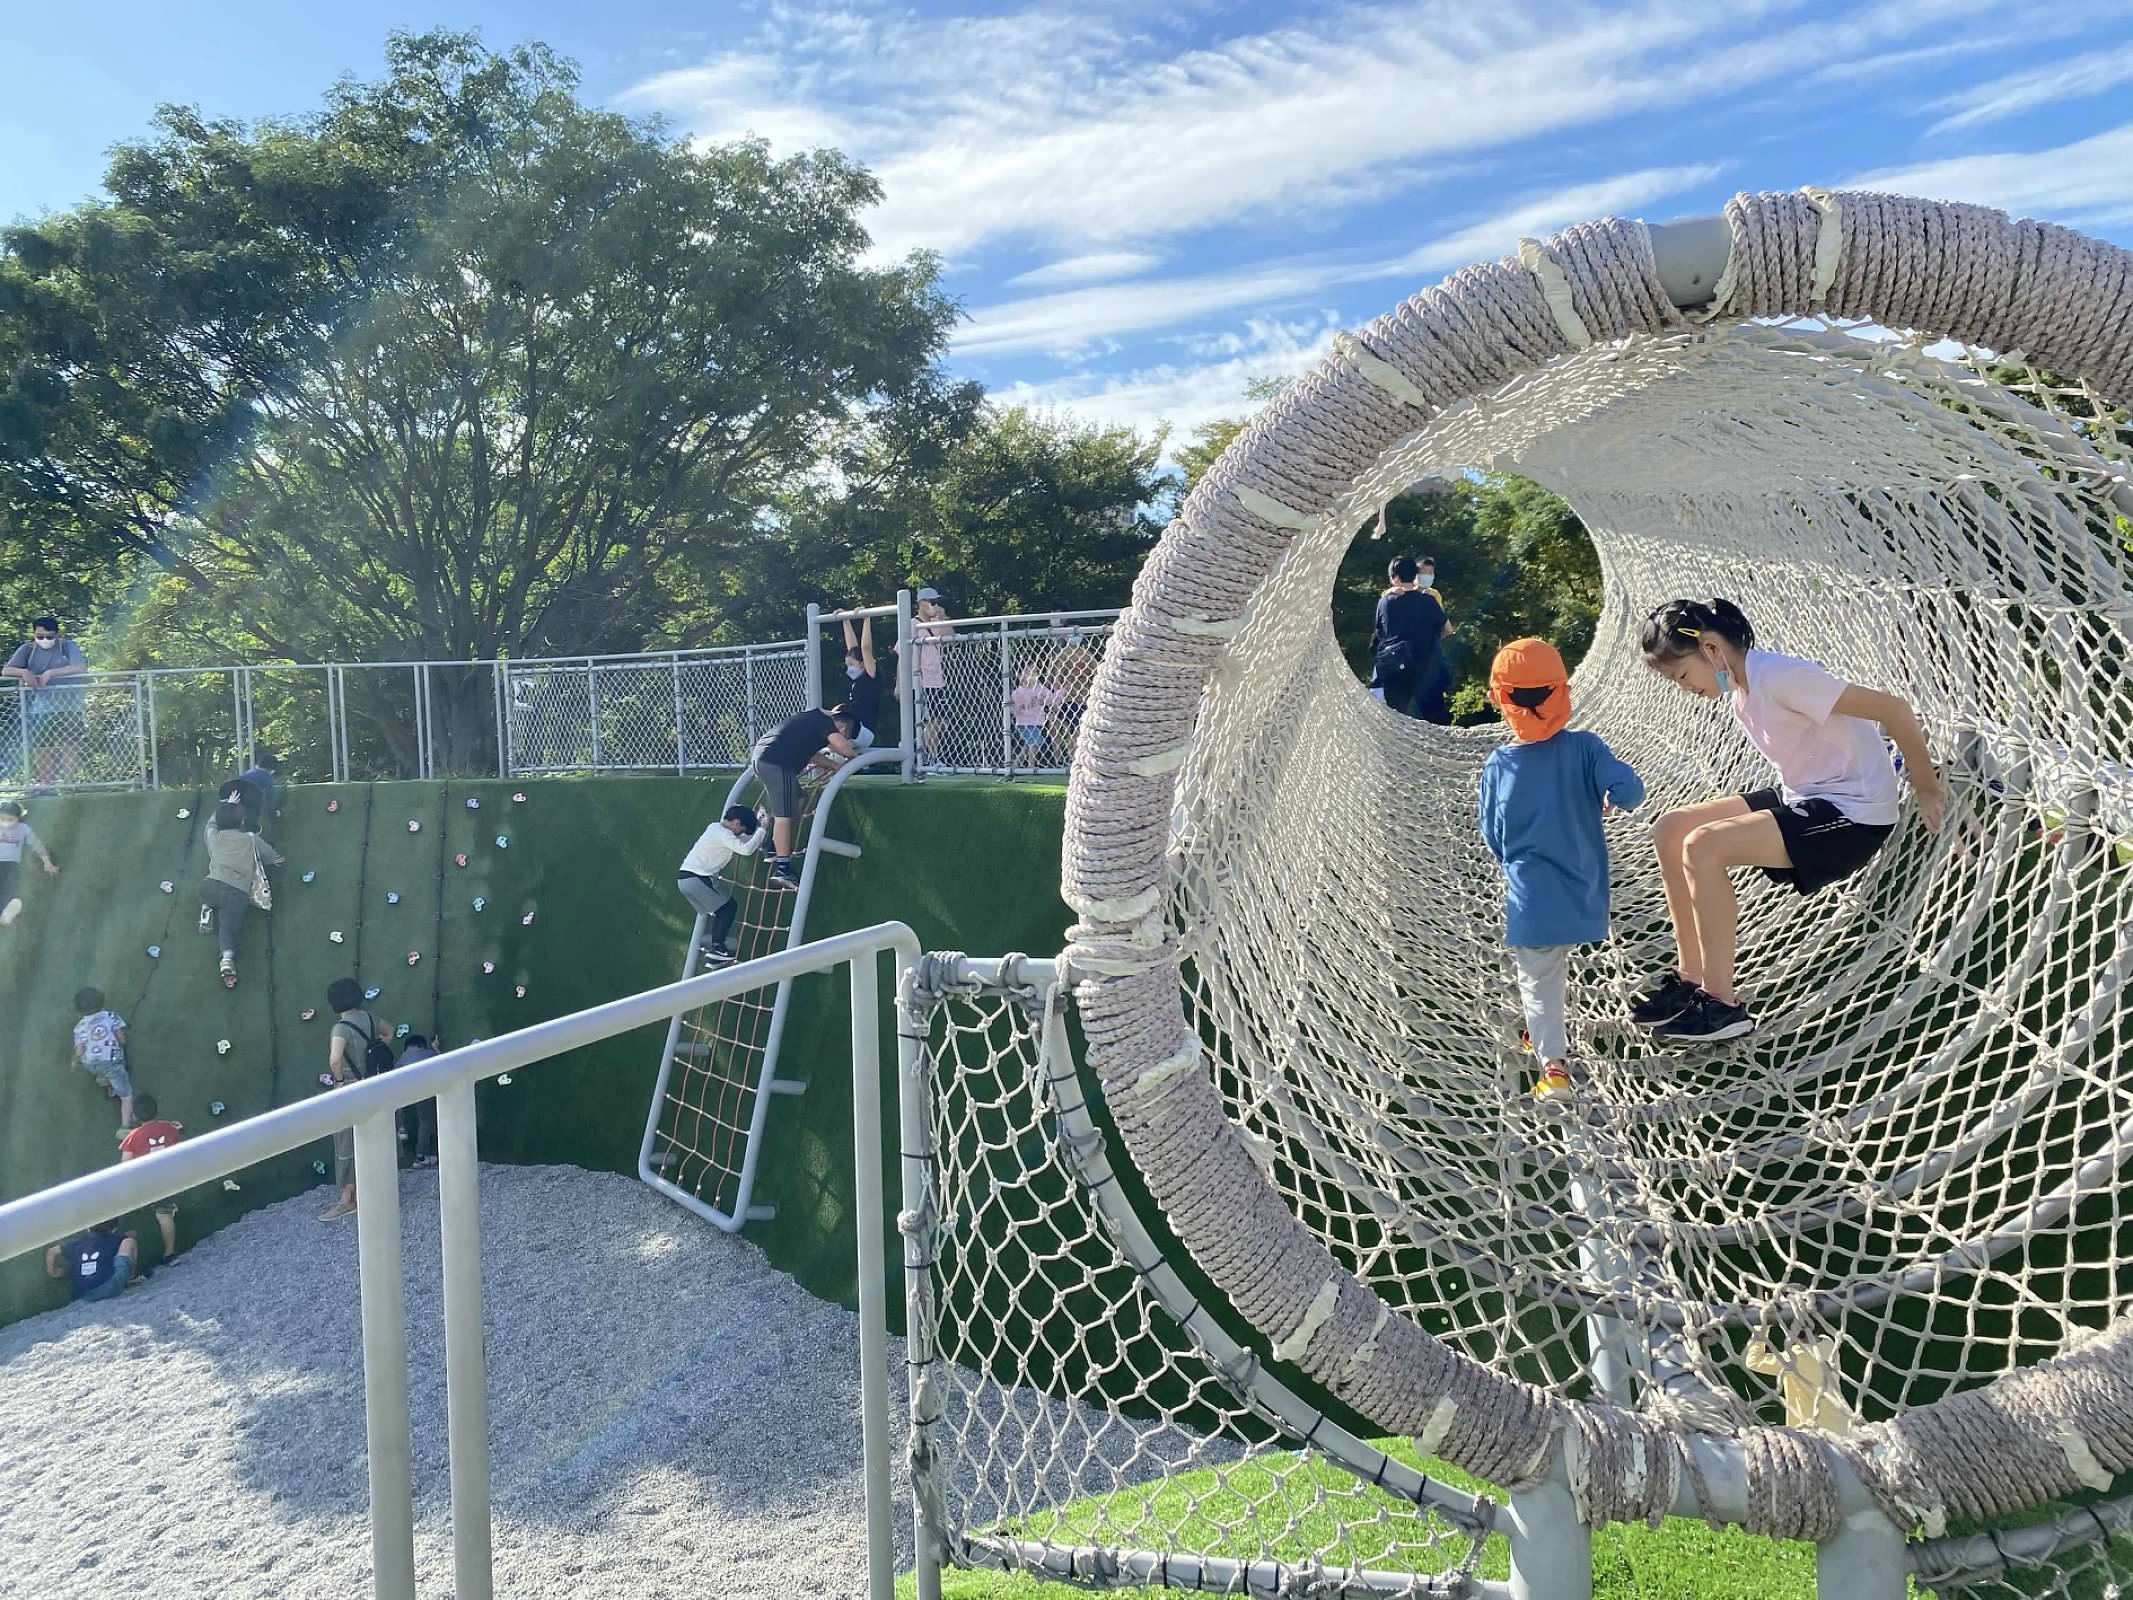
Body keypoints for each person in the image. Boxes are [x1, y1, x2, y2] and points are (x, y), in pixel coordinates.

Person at [1633, 598, 1945, 1045]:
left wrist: (1926, 785)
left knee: (1703, 845)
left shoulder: (1779, 677)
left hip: (1853, 814)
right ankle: (1689, 978)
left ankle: (1722, 1005)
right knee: (1671, 830)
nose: (1684, 688)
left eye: (1682, 676)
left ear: (1711, 649)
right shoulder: (1742, 691)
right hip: (1807, 794)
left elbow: (1894, 709)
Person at [1478, 639, 1645, 1099]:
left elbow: (1492, 835)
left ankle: (1554, 1069)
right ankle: (1542, 1029)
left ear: (1499, 699)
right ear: (1562, 691)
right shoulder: (1585, 749)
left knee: (1538, 977)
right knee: (1553, 969)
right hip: (1585, 895)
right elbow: (1630, 789)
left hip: (1532, 899)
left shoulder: (1498, 766)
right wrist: (1611, 796)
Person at [750, 706, 860, 890]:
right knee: (783, 817)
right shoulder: (823, 721)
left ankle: (772, 844)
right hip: (776, 764)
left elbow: (811, 755)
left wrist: (833, 765)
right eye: (846, 736)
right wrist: (854, 756)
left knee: (798, 799)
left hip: (768, 759)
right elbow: (843, 748)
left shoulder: (810, 722)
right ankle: (783, 868)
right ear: (842, 730)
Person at [322, 977, 395, 1220]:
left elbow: (335, 1059)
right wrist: (372, 1052)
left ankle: (347, 1199)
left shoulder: (340, 1028)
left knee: (345, 1142)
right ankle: (375, 1191)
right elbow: (390, 1032)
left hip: (351, 1087)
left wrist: (340, 1082)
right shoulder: (371, 1018)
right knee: (373, 1137)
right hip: (374, 1084)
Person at [199, 799, 283, 988]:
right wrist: (277, 859)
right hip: (235, 893)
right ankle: (227, 959)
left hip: (209, 886)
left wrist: (226, 804)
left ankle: (206, 909)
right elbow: (269, 856)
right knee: (227, 928)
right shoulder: (251, 839)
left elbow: (209, 825)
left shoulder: (214, 837)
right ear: (242, 822)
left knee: (206, 894)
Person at [3, 616, 89, 787]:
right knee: (42, 747)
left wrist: (50, 673)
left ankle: (69, 784)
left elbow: (80, 667)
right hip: (40, 708)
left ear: (56, 635)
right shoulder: (28, 649)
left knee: (70, 745)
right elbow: (7, 670)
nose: (44, 640)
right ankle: (46, 784)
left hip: (70, 706)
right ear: (34, 634)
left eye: (49, 636)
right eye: (40, 636)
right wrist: (24, 673)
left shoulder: (67, 646)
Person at [677, 804, 768, 963]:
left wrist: (759, 833)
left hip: (686, 880)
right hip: (697, 878)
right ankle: (717, 947)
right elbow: (746, 850)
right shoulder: (723, 833)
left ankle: (713, 943)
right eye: (742, 829)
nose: (741, 833)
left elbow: (743, 841)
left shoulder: (716, 829)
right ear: (736, 823)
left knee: (718, 910)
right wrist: (763, 829)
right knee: (728, 908)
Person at [1369, 558, 1452, 720]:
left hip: (1396, 669)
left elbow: (1380, 634)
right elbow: (1448, 629)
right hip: (1427, 667)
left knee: (1393, 718)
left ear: (1395, 578)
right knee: (1436, 719)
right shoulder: (1429, 600)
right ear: (1414, 575)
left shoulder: (1384, 602)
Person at [118, 1094, 184, 1257]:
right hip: (170, 1179)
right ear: (156, 1110)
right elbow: (181, 1150)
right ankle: (169, 1252)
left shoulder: (132, 1137)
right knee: (164, 1215)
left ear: (134, 1115)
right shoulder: (170, 1129)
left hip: (146, 1183)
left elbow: (125, 1165)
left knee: (152, 1212)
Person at [71, 986, 135, 1129]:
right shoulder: (111, 1016)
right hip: (112, 1062)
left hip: (90, 1063)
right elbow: (122, 1039)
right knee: (127, 1096)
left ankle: (106, 1083)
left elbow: (80, 1050)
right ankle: (125, 1126)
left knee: (99, 1068)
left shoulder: (79, 1027)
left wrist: (74, 1062)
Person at [0, 797, 58, 926]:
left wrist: (47, 863)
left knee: (8, 888)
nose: (6, 823)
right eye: (2, 819)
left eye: (10, 820)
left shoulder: (23, 829)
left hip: (11, 864)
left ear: (18, 818)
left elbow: (37, 845)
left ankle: (6, 911)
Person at [46, 1222, 138, 1303]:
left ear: (88, 1228)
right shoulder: (117, 1239)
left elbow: (51, 1251)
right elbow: (133, 1234)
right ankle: (130, 1277)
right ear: (114, 1228)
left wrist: (54, 1273)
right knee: (129, 1242)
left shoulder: (78, 1243)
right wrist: (127, 1236)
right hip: (109, 1288)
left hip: (83, 1292)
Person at [913, 587, 952, 773]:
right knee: (931, 721)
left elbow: (950, 638)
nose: (935, 606)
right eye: (932, 602)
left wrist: (943, 618)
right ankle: (930, 758)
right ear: (921, 603)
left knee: (940, 721)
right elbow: (902, 653)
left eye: (937, 602)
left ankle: (922, 748)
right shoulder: (912, 624)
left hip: (938, 680)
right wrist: (900, 682)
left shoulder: (937, 622)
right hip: (922, 680)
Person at [1046, 623, 1099, 761]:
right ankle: (1061, 759)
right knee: (1062, 730)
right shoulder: (1062, 656)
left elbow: (1096, 673)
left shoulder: (1087, 654)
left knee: (1077, 729)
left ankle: (1073, 757)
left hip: (1082, 697)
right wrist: (1058, 697)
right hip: (1066, 699)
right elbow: (1054, 678)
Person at [394, 1034, 439, 1169]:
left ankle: (401, 1128)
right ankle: (421, 1156)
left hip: (400, 1091)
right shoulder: (429, 1053)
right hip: (423, 1090)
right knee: (425, 1121)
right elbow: (444, 1063)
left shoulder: (402, 1058)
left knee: (400, 1109)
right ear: (422, 1045)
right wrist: (435, 1048)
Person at [1007, 663, 1061, 773]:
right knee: (1035, 742)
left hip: (1038, 722)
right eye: (1028, 672)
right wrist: (1014, 711)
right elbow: (1011, 705)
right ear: (1020, 676)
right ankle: (1031, 766)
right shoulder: (1017, 692)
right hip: (1023, 723)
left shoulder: (1040, 689)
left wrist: (1059, 694)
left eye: (1035, 672)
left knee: (1028, 745)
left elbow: (1052, 699)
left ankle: (1015, 765)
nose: (1032, 675)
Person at [841, 617, 885, 752]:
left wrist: (867, 618)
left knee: (832, 726)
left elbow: (865, 648)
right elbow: (852, 648)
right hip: (853, 727)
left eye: (851, 664)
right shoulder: (856, 680)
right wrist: (845, 620)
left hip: (864, 730)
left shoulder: (870, 675)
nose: (849, 668)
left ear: (862, 664)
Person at [223, 748, 281, 834]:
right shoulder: (267, 776)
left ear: (258, 765)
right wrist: (273, 812)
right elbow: (269, 796)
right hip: (245, 795)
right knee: (253, 802)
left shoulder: (250, 772)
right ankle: (252, 828)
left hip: (230, 791)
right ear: (273, 770)